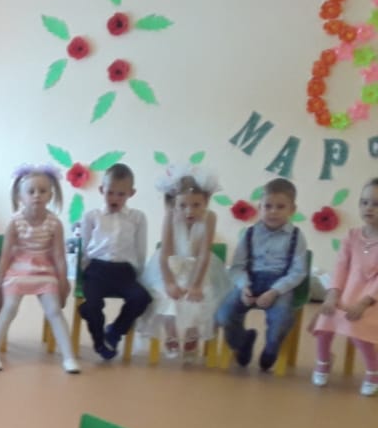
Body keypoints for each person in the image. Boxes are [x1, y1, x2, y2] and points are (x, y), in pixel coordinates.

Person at [0, 164, 80, 373]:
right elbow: (6, 254)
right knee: (9, 308)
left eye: (42, 191)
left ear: (50, 195)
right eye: (31, 191)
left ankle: (69, 357)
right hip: (18, 270)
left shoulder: (55, 223)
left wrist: (63, 281)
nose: (37, 196)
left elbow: (59, 256)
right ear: (21, 196)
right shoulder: (15, 222)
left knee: (54, 310)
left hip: (45, 272)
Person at [216, 178, 309, 371]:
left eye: (280, 207)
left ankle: (271, 348)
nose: (273, 211)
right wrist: (244, 286)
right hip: (250, 281)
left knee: (281, 318)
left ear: (292, 209)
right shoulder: (250, 234)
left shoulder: (296, 236)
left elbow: (298, 271)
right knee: (224, 314)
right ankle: (243, 342)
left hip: (279, 285)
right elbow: (237, 267)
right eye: (268, 206)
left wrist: (275, 291)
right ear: (260, 207)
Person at [138, 165, 229, 361]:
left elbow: (204, 254)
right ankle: (171, 334)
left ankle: (191, 333)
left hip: (199, 269)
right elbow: (165, 254)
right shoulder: (170, 217)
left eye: (196, 205)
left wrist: (196, 285)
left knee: (201, 296)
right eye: (183, 205)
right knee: (165, 295)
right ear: (174, 204)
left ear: (206, 202)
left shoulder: (210, 218)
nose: (190, 211)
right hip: (170, 268)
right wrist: (170, 282)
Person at [77, 163, 152, 360]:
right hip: (97, 270)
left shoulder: (137, 218)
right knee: (93, 306)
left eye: (121, 194)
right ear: (101, 190)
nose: (114, 199)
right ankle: (99, 342)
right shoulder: (92, 216)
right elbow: (84, 247)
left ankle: (115, 331)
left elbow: (140, 249)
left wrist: (139, 274)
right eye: (110, 193)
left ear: (131, 193)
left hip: (124, 271)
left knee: (142, 298)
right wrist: (85, 272)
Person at [311, 177, 378, 395]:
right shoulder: (352, 236)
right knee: (325, 318)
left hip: (372, 299)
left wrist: (364, 303)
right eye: (364, 202)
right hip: (346, 293)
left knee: (358, 327)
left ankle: (373, 370)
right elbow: (340, 267)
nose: (369, 208)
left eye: (376, 204)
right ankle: (323, 360)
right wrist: (332, 294)